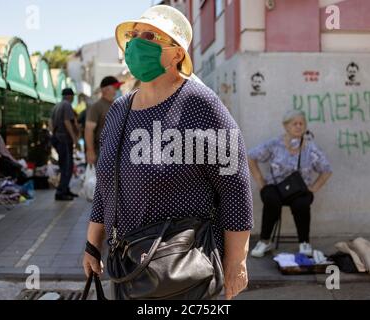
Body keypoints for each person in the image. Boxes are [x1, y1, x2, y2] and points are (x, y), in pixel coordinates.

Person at [83, 5, 253, 300]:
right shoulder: (119, 111)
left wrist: (236, 261)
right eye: (134, 35)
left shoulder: (201, 104)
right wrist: (92, 245)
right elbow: (105, 186)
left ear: (177, 54)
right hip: (129, 267)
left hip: (186, 269)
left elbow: (234, 185)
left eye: (150, 36)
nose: (137, 42)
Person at [248, 110, 332, 258]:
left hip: (299, 190)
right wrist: (261, 182)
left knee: (302, 203)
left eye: (302, 123)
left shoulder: (310, 147)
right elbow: (251, 156)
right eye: (295, 123)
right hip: (275, 187)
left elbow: (326, 170)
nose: (299, 126)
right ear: (286, 126)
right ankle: (265, 241)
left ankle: (304, 242)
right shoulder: (275, 144)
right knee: (270, 198)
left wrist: (313, 188)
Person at [85, 76, 122, 165]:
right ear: (105, 90)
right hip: (102, 151)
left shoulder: (118, 105)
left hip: (116, 151)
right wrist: (90, 151)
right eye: (116, 88)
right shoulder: (97, 107)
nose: (118, 90)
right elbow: (89, 129)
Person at [50, 88, 79, 201]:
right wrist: (74, 138)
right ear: (70, 96)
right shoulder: (67, 105)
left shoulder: (56, 106)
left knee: (64, 166)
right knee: (67, 166)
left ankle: (65, 189)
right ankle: (61, 192)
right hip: (64, 139)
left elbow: (50, 123)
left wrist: (55, 134)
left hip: (58, 138)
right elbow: (67, 121)